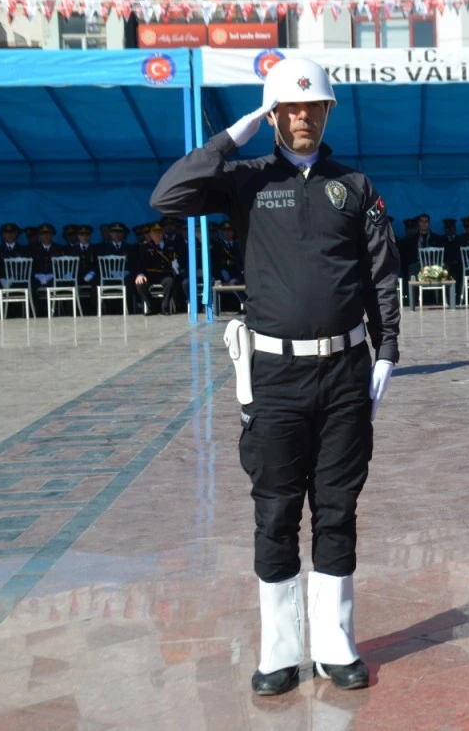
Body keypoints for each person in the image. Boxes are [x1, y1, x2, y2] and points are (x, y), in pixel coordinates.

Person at [151, 56, 400, 696]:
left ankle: (336, 645)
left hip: (346, 372)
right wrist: (235, 134)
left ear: (326, 112)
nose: (301, 118)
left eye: (311, 106)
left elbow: (381, 273)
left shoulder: (356, 185)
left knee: (338, 509)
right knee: (276, 511)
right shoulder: (246, 180)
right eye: (287, 109)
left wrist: (387, 350)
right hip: (274, 375)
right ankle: (280, 651)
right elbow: (169, 195)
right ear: (273, 116)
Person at [134, 223, 183, 316]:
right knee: (139, 284)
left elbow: (176, 259)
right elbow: (139, 262)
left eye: (160, 232)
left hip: (165, 274)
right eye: (155, 232)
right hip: (150, 274)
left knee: (170, 281)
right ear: (150, 234)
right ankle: (151, 307)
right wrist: (140, 274)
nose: (158, 234)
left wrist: (175, 267)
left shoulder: (170, 245)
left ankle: (164, 308)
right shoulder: (144, 247)